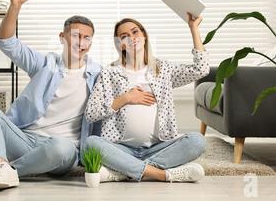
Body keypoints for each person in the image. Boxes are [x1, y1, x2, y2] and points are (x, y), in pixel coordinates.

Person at [0, 0, 101, 192]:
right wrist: (15, 6)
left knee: (61, 147)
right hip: (25, 139)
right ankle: (1, 166)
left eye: (87, 38)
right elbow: (7, 43)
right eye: (76, 36)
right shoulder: (44, 63)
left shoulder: (99, 75)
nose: (82, 42)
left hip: (63, 150)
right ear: (62, 37)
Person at [83, 13, 209, 183]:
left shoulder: (163, 69)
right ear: (120, 45)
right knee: (90, 144)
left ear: (144, 35)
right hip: (120, 148)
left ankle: (123, 172)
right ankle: (161, 174)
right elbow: (91, 114)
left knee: (197, 141)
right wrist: (126, 98)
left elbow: (201, 69)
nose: (132, 38)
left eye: (135, 32)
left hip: (158, 148)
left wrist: (193, 28)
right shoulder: (109, 73)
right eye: (124, 36)